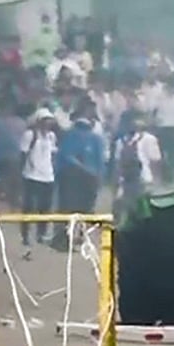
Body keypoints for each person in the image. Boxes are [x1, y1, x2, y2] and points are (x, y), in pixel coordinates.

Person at [55, 104, 106, 247]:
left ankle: (74, 237)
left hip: (76, 177)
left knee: (72, 208)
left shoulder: (74, 135)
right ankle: (73, 237)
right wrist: (94, 175)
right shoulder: (92, 138)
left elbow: (66, 157)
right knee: (81, 208)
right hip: (79, 178)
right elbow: (99, 162)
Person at [19, 107, 59, 253]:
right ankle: (26, 234)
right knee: (28, 206)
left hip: (47, 175)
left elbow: (53, 154)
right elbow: (23, 153)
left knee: (45, 206)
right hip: (31, 175)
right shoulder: (30, 135)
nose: (47, 124)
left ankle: (41, 233)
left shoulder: (51, 137)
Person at [113, 113, 161, 225]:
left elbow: (117, 163)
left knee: (128, 210)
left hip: (128, 182)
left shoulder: (121, 141)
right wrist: (156, 180)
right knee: (143, 212)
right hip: (142, 180)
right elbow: (155, 160)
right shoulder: (149, 139)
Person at [0, 103, 26, 210]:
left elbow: (24, 141)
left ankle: (13, 207)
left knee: (13, 185)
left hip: (13, 158)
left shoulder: (21, 123)